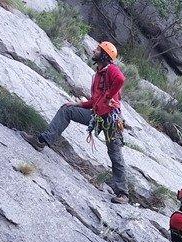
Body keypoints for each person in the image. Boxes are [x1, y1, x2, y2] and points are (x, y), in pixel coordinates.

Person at [24, 41, 129, 204]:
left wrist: (108, 97)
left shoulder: (111, 70)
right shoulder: (98, 74)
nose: (94, 50)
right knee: (67, 110)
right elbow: (95, 101)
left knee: (115, 154)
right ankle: (42, 141)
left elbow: (121, 80)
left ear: (104, 55)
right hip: (97, 115)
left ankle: (122, 194)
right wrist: (78, 104)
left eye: (97, 49)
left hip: (111, 119)